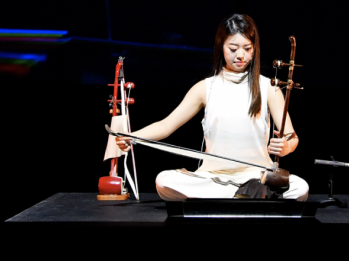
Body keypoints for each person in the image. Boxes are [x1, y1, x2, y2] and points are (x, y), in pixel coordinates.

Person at [115, 14, 309, 201]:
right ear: (221, 47)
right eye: (233, 48)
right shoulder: (204, 88)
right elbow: (166, 126)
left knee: (301, 188)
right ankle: (242, 199)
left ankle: (234, 198)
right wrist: (134, 137)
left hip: (257, 179)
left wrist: (286, 146)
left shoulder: (269, 87)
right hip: (213, 178)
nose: (241, 55)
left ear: (254, 48)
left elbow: (292, 138)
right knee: (164, 181)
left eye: (247, 48)